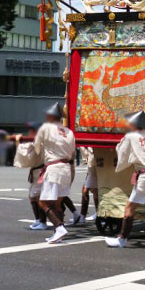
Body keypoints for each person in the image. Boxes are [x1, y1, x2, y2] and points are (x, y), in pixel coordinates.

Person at [105, 111, 145, 250]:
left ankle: (122, 239)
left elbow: (122, 152)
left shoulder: (130, 136)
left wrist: (120, 150)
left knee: (129, 208)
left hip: (144, 177)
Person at [34, 102, 76, 244]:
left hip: (53, 169)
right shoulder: (69, 131)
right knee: (57, 203)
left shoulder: (45, 128)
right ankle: (59, 232)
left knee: (43, 202)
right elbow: (72, 153)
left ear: (50, 116)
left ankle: (59, 228)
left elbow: (36, 148)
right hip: (66, 168)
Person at [72, 147, 98, 224]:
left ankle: (83, 215)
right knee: (94, 191)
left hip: (94, 166)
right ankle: (96, 213)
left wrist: (83, 147)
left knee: (86, 191)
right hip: (92, 167)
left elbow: (87, 154)